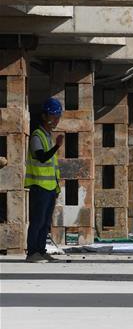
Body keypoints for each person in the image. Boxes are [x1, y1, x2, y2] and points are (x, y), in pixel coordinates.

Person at [24, 98, 64, 263]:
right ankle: (32, 252)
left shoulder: (47, 136)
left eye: (57, 116)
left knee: (45, 222)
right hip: (39, 187)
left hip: (49, 188)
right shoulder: (37, 135)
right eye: (53, 116)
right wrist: (56, 147)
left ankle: (41, 250)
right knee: (37, 221)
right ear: (44, 116)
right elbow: (41, 157)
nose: (55, 120)